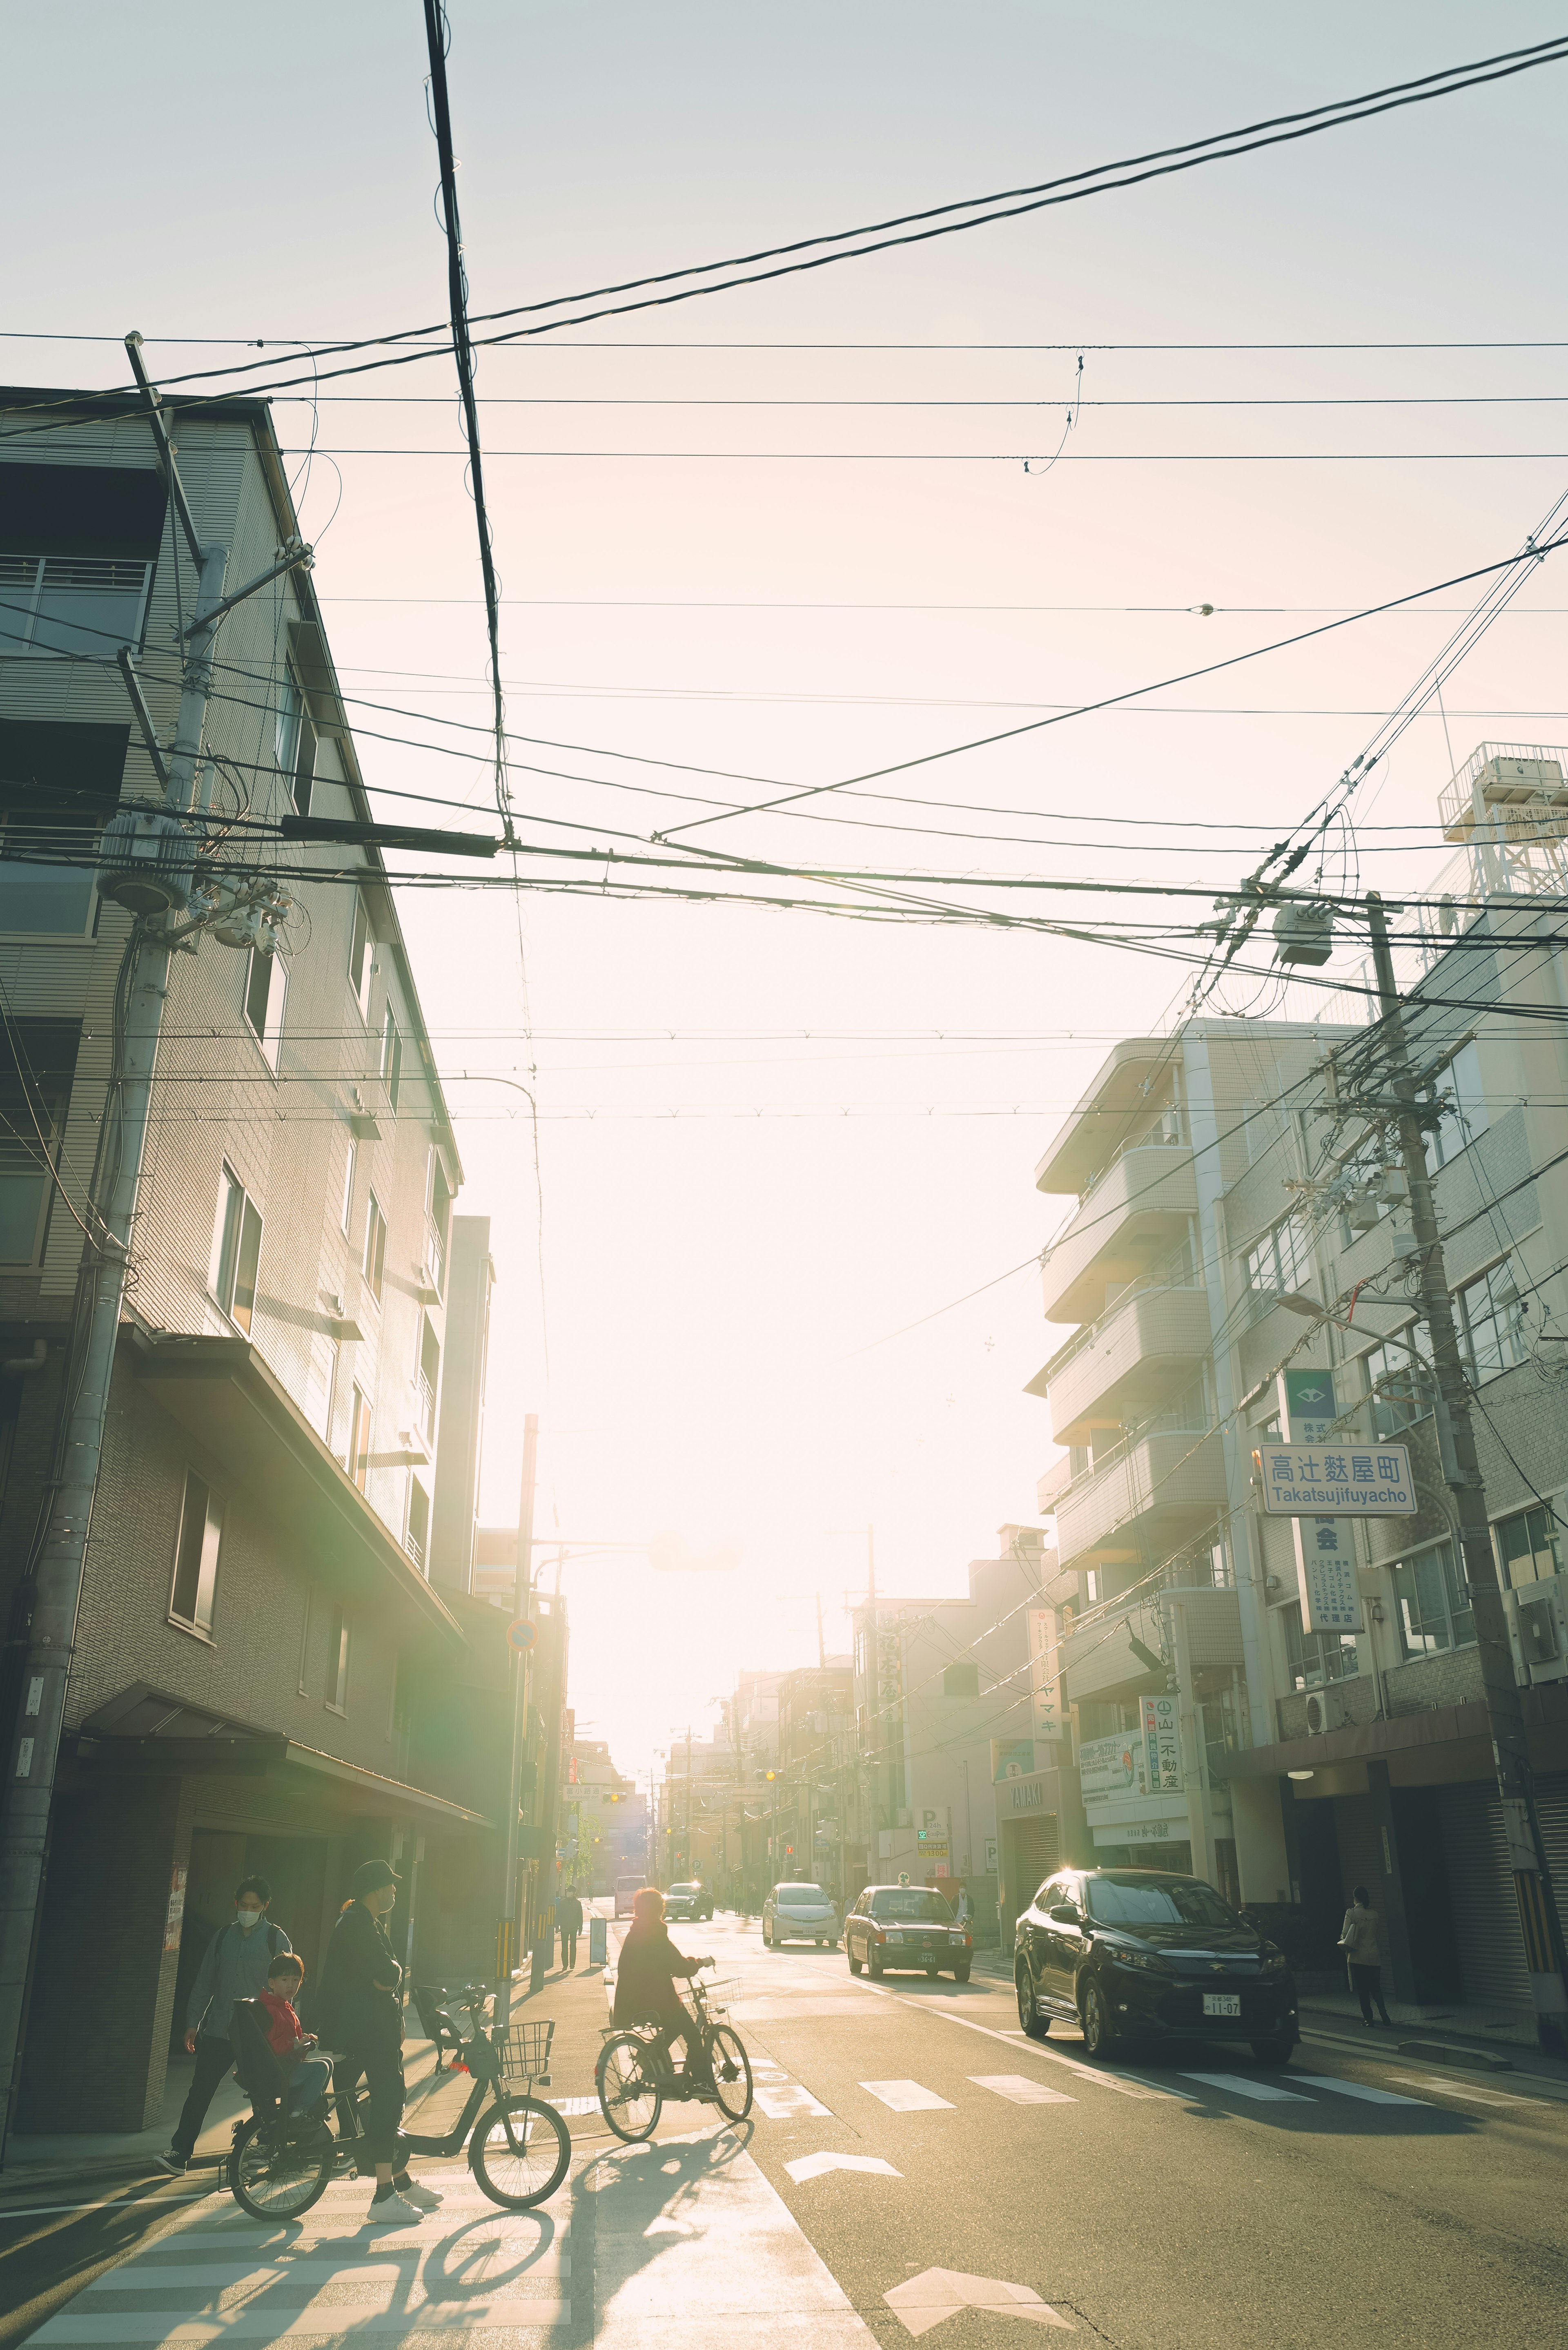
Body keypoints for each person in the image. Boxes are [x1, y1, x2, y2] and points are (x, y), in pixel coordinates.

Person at [319, 1858, 443, 2227]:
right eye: (389, 1886)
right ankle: (384, 2194)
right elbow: (386, 1972)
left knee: (382, 2102)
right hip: (367, 2030)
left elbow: (386, 1977)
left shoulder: (361, 1921)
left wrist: (390, 1983)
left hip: (365, 2027)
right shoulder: (359, 1925)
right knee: (389, 2098)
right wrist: (390, 1976)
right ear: (375, 1889)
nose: (394, 1891)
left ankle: (400, 2181)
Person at [159, 1876, 291, 2174]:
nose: (248, 1910)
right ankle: (179, 2153)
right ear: (236, 1904)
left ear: (265, 1907)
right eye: (243, 1905)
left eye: (254, 1906)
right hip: (219, 2029)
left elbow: (289, 1988)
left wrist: (286, 2028)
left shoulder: (275, 1939)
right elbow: (205, 1982)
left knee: (264, 2092)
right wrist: (193, 2022)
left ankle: (268, 2147)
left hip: (258, 2033)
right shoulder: (222, 1938)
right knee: (200, 2091)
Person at [612, 1887, 713, 2089]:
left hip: (631, 2001)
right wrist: (700, 1962)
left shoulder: (636, 1932)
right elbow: (680, 1967)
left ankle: (653, 2055)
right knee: (692, 2033)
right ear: (660, 1909)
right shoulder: (655, 1933)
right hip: (656, 2000)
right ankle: (703, 2084)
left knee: (674, 2026)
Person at [258, 1953, 333, 2116]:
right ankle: (301, 2111)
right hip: (278, 2072)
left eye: (295, 1980)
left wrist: (304, 2039)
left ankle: (306, 2105)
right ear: (272, 1983)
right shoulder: (271, 2010)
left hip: (285, 2066)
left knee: (328, 2062)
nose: (290, 1986)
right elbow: (270, 2046)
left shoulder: (283, 2006)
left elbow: (289, 2037)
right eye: (284, 1980)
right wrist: (296, 2044)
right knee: (321, 2068)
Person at [1340, 1883, 1393, 2027]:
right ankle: (1385, 2016)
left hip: (1358, 1957)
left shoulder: (1351, 1913)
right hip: (1374, 1956)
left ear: (1355, 1898)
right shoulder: (1374, 1914)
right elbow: (1378, 1937)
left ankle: (1369, 2019)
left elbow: (1345, 1935)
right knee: (1376, 1987)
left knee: (1363, 1991)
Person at [556, 1886, 584, 1972]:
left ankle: (573, 1963)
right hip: (564, 1928)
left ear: (574, 1893)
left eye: (570, 1892)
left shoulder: (578, 1903)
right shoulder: (562, 1903)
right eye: (568, 1891)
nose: (568, 1893)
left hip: (574, 1928)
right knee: (564, 1947)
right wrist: (557, 1926)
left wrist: (580, 1928)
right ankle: (565, 1965)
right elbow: (558, 1915)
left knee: (573, 1946)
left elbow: (580, 1916)